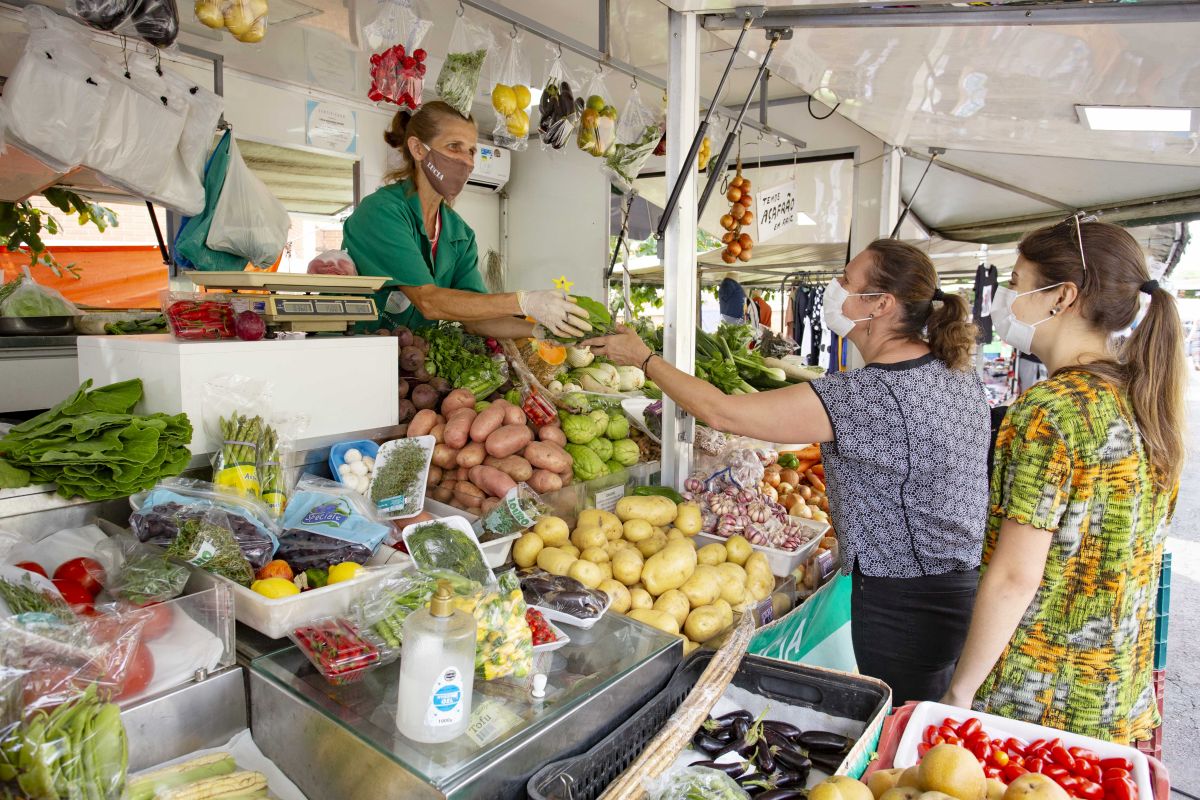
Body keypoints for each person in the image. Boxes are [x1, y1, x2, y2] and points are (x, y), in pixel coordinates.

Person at [586, 240, 990, 703]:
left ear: (881, 304)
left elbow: (723, 414)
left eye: (846, 281)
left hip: (902, 602)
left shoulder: (869, 394)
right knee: (919, 716)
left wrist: (644, 358)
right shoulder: (954, 374)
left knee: (902, 724)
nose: (834, 290)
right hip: (949, 588)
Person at [942, 219, 1184, 745]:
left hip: (1035, 703)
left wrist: (959, 694)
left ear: (1062, 297)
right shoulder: (1144, 402)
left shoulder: (1050, 412)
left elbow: (1015, 576)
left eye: (1017, 278)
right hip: (1114, 695)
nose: (1005, 297)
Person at [342, 101, 589, 339]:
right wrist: (524, 302)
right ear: (418, 149)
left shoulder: (458, 232)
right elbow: (428, 300)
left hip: (408, 360)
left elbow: (477, 319)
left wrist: (540, 330)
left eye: (471, 150)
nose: (466, 160)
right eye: (453, 146)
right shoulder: (382, 212)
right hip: (351, 352)